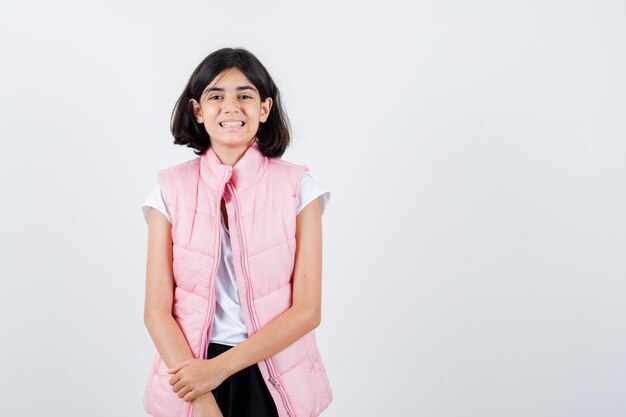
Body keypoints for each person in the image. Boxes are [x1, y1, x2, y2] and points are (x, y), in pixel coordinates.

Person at [141, 47, 333, 417]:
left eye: (245, 95)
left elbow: (307, 310)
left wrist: (218, 370)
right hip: (190, 369)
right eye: (216, 96)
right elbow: (156, 311)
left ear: (264, 109)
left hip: (273, 371)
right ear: (198, 110)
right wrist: (200, 393)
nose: (231, 107)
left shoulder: (301, 187)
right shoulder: (168, 189)